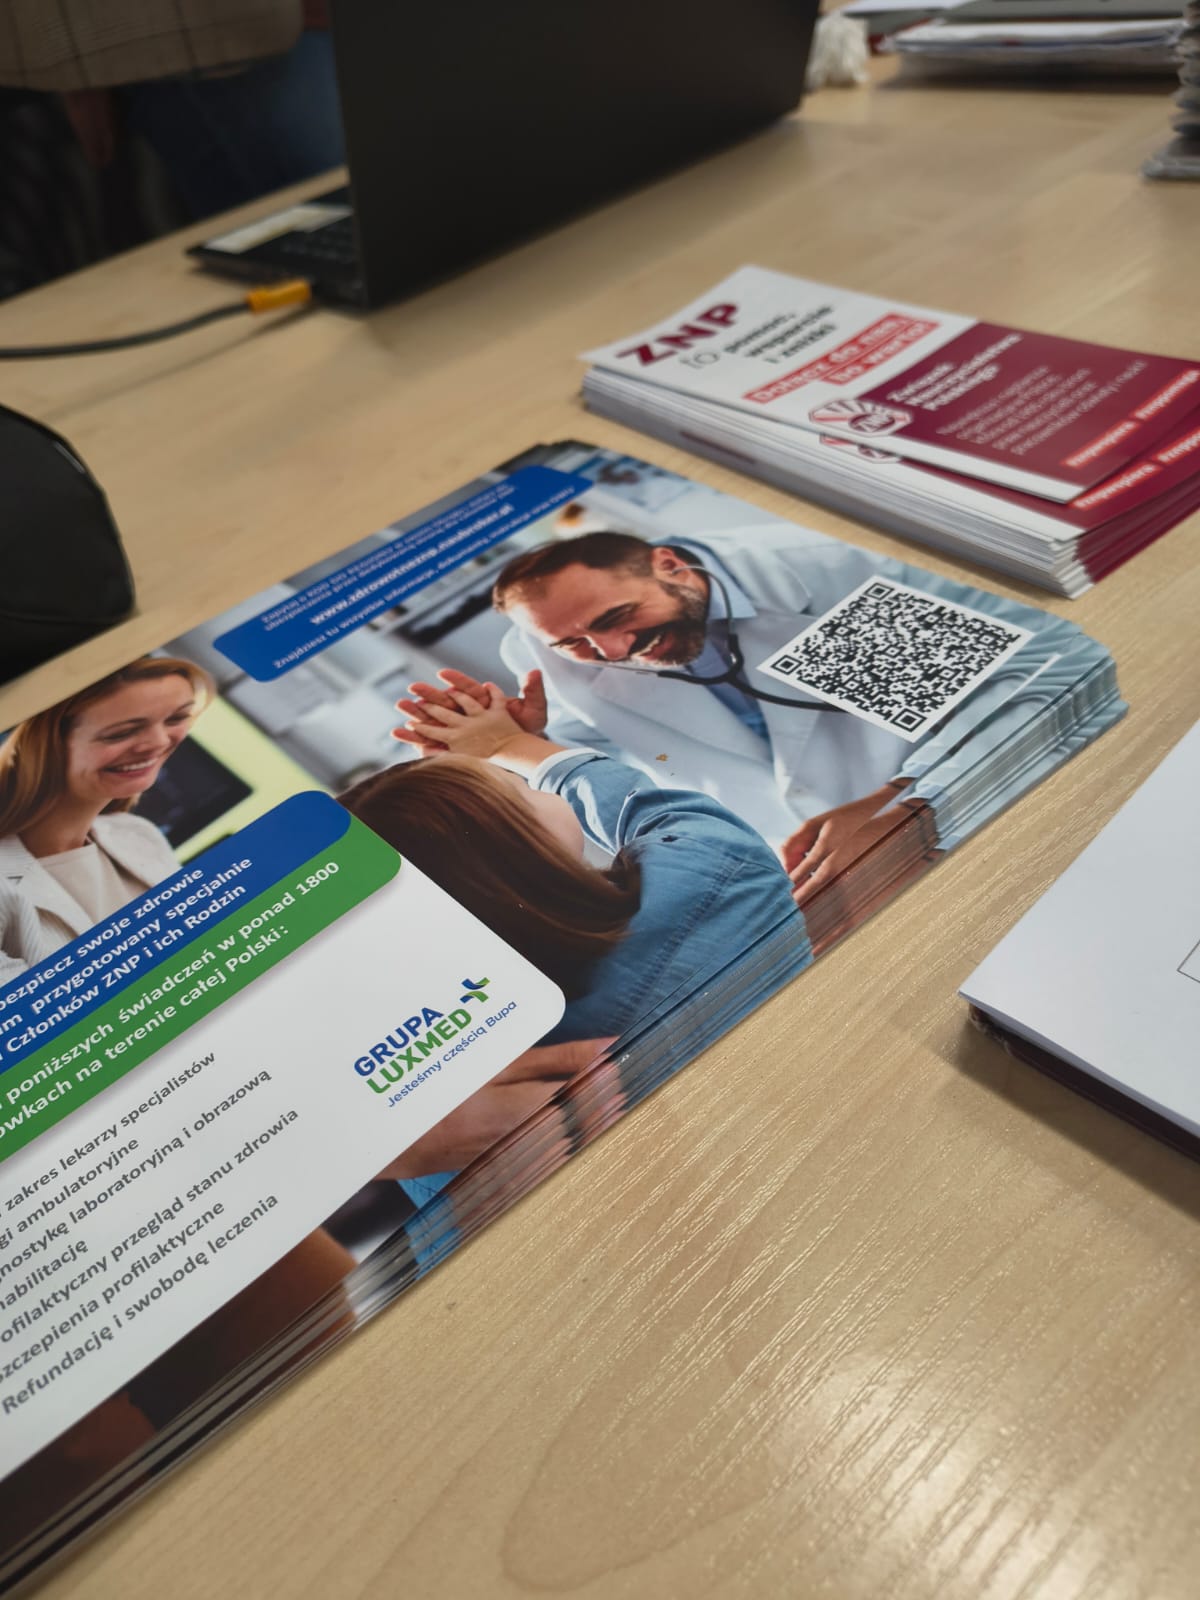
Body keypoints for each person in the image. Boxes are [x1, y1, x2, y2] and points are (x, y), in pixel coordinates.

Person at [340, 682, 810, 1208]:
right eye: (517, 789)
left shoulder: (437, 1116)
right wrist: (512, 746)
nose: (528, 785)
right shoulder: (715, 883)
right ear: (516, 857)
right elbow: (657, 811)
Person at [481, 524, 1103, 905]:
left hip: (970, 808)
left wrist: (909, 802)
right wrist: (535, 743)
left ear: (670, 566)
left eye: (618, 618)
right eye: (574, 643)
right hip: (815, 860)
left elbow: (1037, 680)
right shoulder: (544, 654)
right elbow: (619, 759)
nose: (613, 652)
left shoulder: (823, 575)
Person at [0, 655, 212, 981]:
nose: (159, 741)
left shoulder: (137, 833)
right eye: (121, 733)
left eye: (177, 718)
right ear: (44, 745)